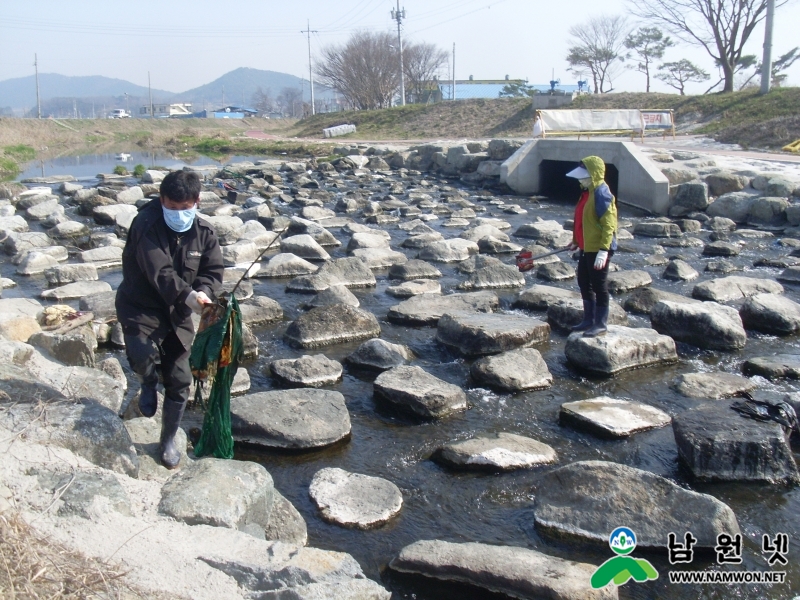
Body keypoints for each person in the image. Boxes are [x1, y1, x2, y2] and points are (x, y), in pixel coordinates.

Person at [116, 170, 224, 468]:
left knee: (180, 379)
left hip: (179, 312)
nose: (178, 213)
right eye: (172, 208)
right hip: (141, 305)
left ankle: (166, 440)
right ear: (162, 200)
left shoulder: (204, 232)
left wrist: (203, 295)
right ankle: (148, 381)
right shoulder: (146, 224)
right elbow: (159, 271)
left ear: (197, 201)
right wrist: (187, 295)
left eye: (185, 208)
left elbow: (213, 273)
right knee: (140, 354)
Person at [566, 156, 618, 337]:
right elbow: (581, 221)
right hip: (586, 246)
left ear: (593, 174)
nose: (580, 179)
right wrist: (576, 241)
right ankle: (588, 319)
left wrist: (604, 250)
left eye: (583, 176)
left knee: (599, 284)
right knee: (583, 282)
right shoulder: (586, 193)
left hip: (599, 247)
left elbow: (609, 224)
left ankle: (601, 323)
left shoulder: (602, 193)